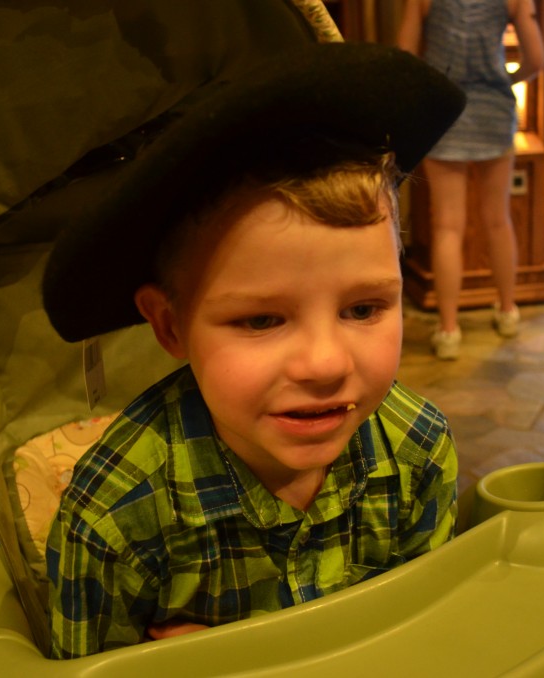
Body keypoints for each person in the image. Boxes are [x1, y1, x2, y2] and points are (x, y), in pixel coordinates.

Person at [40, 41, 465, 659]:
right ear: (169, 326)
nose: (325, 364)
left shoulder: (419, 451)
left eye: (364, 309)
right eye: (262, 319)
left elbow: (429, 638)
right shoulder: (115, 517)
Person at [398, 0, 544, 359]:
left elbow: (404, 56)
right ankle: (508, 311)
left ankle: (448, 331)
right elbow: (537, 59)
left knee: (447, 225)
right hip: (493, 109)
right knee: (498, 218)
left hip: (443, 106)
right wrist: (503, 79)